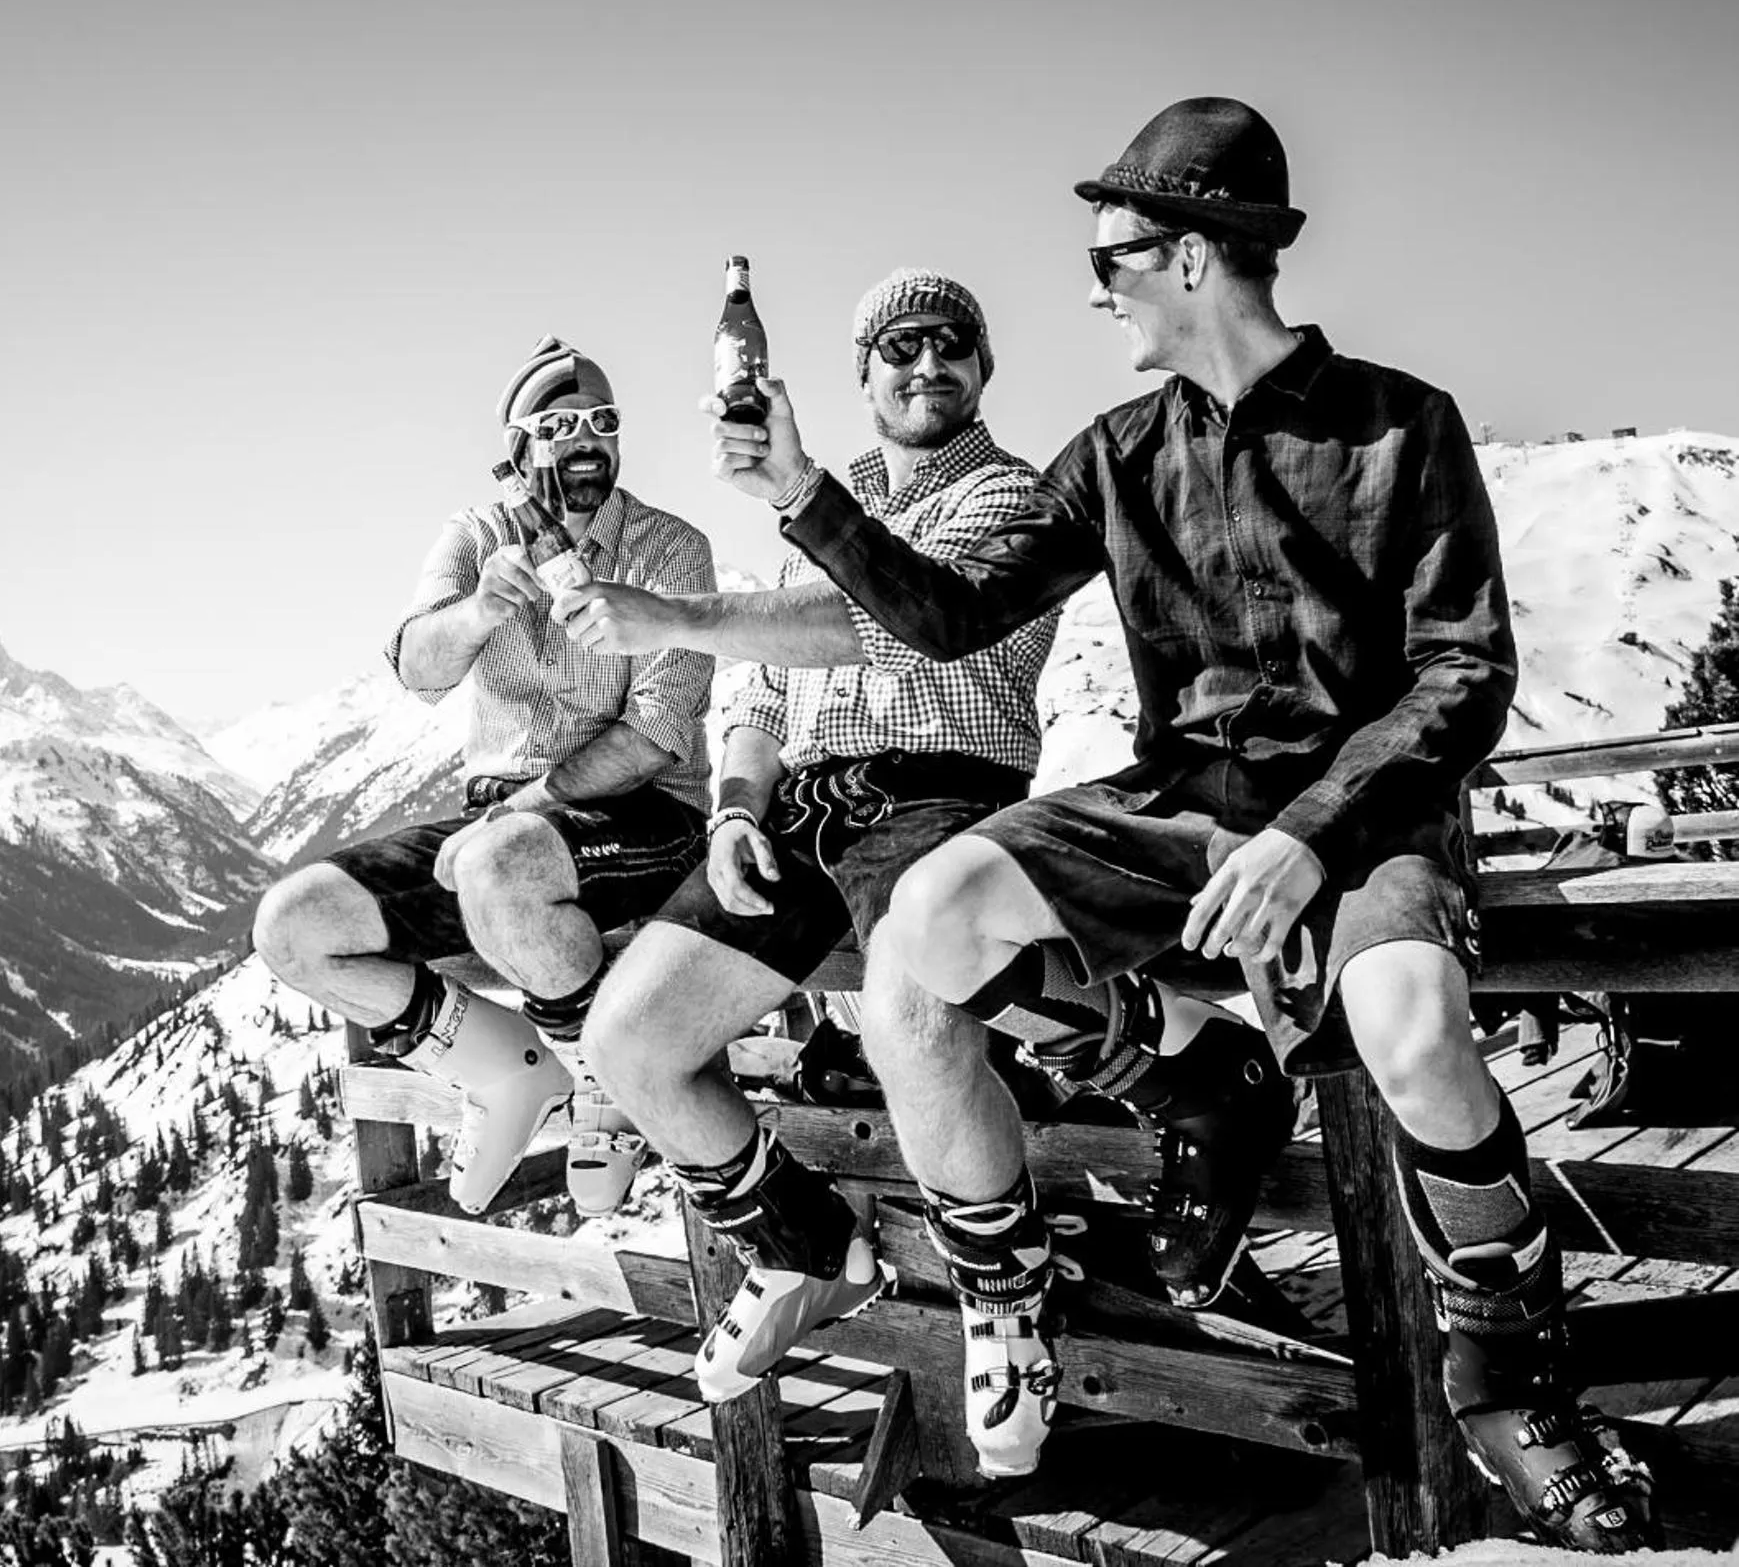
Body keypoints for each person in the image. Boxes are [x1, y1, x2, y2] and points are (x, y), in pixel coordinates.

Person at [724, 97, 1655, 1547]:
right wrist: (795, 487)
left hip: (1366, 814)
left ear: (1193, 256)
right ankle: (1188, 1078)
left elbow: (1462, 673)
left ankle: (1507, 1383)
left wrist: (1306, 840)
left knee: (1411, 1027)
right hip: (1176, 806)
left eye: (1113, 255)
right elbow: (951, 621)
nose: (1092, 289)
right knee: (931, 916)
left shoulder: (1400, 425)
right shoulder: (1112, 451)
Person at [555, 271, 1073, 1459]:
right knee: (628, 1037)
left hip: (945, 793)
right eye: (898, 347)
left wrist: (671, 615)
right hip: (804, 808)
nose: (925, 364)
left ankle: (1003, 1288)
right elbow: (761, 694)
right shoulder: (826, 508)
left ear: (985, 364)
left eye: (951, 343)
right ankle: (801, 1241)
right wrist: (735, 807)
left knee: (909, 1014)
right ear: (863, 373)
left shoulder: (1010, 496)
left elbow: (874, 624)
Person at [253, 336, 715, 1219]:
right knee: (292, 924)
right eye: (559, 425)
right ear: (517, 444)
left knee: (496, 863)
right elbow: (417, 669)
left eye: (603, 422)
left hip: (643, 816)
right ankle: (501, 1067)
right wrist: (479, 608)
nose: (586, 441)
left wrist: (516, 814)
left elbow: (656, 733)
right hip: (497, 827)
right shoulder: (475, 535)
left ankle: (603, 1085)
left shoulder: (668, 550)